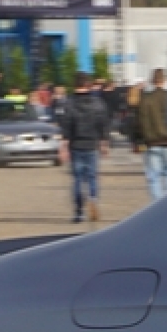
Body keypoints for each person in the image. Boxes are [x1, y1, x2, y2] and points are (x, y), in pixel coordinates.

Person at [56, 76, 113, 223]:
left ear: (74, 85)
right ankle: (93, 198)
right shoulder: (98, 103)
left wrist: (63, 146)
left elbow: (66, 126)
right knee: (92, 176)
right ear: (88, 85)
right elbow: (104, 123)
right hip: (92, 144)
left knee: (78, 179)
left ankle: (79, 211)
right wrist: (104, 142)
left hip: (76, 145)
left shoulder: (69, 104)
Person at [133, 68, 167, 200]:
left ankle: (158, 204)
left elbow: (139, 121)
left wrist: (138, 140)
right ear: (165, 80)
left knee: (154, 176)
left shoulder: (145, 99)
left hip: (152, 142)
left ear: (153, 80)